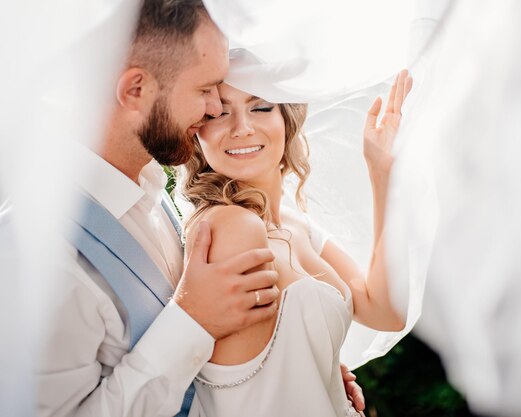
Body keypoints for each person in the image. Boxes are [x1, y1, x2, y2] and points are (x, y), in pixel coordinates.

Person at [37, 1, 365, 416]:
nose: (214, 109)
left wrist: (300, 358)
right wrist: (190, 321)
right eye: (205, 89)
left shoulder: (151, 194)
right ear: (135, 90)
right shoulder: (40, 256)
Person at [179, 70, 413, 416]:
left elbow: (384, 311)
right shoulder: (230, 228)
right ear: (196, 131)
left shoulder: (293, 222)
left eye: (260, 107)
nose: (242, 127)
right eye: (219, 113)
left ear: (287, 120)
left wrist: (382, 171)